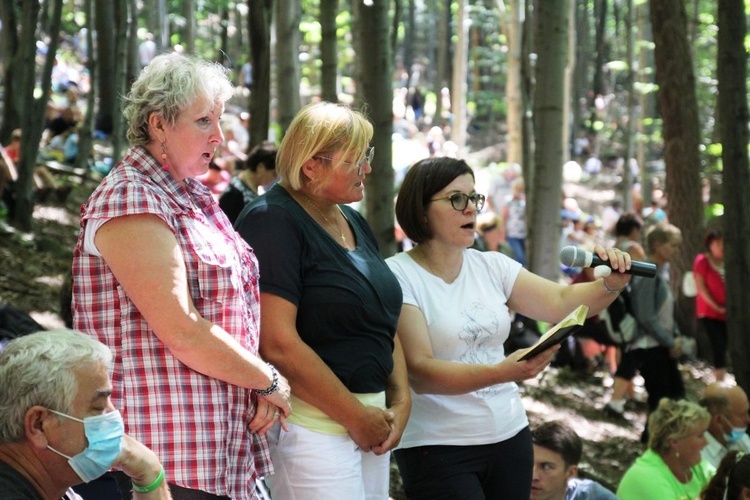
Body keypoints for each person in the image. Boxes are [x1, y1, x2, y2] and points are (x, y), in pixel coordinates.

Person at [71, 53, 291, 500]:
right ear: (159, 124)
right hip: (162, 455)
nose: (219, 135)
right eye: (204, 121)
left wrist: (257, 381)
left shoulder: (189, 193)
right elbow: (182, 329)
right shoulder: (131, 195)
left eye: (220, 119)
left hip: (213, 449)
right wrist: (267, 379)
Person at [385, 157, 632, 499]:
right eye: (457, 198)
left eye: (474, 198)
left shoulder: (493, 265)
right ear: (420, 208)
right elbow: (421, 371)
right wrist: (503, 372)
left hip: (509, 436)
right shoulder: (397, 275)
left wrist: (612, 285)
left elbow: (562, 299)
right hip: (437, 446)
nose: (470, 208)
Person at [234, 102, 411, 499]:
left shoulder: (352, 219)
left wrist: (401, 400)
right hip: (312, 427)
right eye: (356, 160)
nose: (367, 169)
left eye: (368, 156)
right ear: (312, 165)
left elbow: (382, 318)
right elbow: (277, 342)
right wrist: (356, 417)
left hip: (370, 422)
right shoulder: (272, 219)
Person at [0, 329, 171, 500]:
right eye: (98, 407)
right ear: (39, 425)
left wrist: (150, 473)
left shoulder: (52, 487)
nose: (113, 416)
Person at [606, 223, 686, 432]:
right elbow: (646, 316)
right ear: (657, 245)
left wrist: (674, 336)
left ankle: (657, 445)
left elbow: (665, 314)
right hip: (650, 347)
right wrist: (669, 341)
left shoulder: (661, 274)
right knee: (663, 402)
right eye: (673, 245)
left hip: (659, 345)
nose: (676, 251)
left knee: (671, 399)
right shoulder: (647, 274)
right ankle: (654, 447)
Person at [617, 398, 715, 500]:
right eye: (700, 436)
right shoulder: (648, 477)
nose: (706, 442)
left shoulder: (695, 466)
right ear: (675, 442)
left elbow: (726, 483)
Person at [531, 420, 617, 500]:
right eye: (528, 463)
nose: (533, 476)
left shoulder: (593, 496)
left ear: (570, 473)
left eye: (546, 467)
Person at [693, 229, 727, 381]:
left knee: (726, 345)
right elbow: (701, 288)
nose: (721, 246)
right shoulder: (702, 261)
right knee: (718, 345)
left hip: (727, 313)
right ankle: (719, 382)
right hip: (709, 313)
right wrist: (716, 306)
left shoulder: (729, 261)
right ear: (710, 245)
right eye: (717, 243)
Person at [219, 141, 278, 224]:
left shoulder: (257, 189)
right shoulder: (234, 194)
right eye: (273, 173)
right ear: (261, 167)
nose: (274, 178)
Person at [699, 382, 750, 468]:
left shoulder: (741, 439)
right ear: (719, 420)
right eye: (742, 415)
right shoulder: (699, 457)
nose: (748, 420)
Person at [501, 176, 527, 266]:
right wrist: (503, 234)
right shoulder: (508, 201)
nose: (520, 192)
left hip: (524, 234)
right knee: (519, 258)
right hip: (512, 234)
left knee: (525, 257)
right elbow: (503, 218)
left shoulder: (525, 202)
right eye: (518, 189)